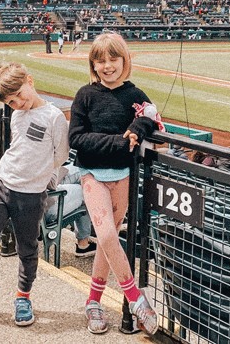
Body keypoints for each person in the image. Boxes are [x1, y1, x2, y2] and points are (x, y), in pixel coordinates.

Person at [69, 32, 159, 336]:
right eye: (100, 60)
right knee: (106, 234)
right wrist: (121, 143)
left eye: (113, 59)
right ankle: (136, 298)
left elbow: (154, 118)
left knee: (108, 243)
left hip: (123, 176)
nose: (107, 65)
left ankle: (93, 301)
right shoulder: (85, 94)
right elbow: (77, 139)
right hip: (93, 174)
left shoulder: (135, 94)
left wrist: (139, 125)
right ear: (93, 63)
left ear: (124, 60)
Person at [0, 62, 69, 327]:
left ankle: (23, 297)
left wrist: (48, 180)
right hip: (1, 183)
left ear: (30, 81)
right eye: (10, 102)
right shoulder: (16, 115)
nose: (17, 103)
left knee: (27, 249)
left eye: (19, 95)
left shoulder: (54, 117)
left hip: (31, 195)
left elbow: (60, 156)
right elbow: (18, 147)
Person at [43, 163, 96, 257]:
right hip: (45, 204)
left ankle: (84, 241)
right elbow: (50, 183)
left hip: (37, 191)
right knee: (87, 189)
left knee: (83, 169)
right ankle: (83, 243)